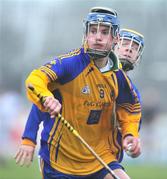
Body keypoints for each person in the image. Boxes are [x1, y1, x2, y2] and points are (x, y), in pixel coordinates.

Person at [15, 7, 142, 179]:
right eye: (93, 31)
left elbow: (130, 109)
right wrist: (45, 100)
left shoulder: (119, 77)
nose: (98, 37)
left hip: (100, 158)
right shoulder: (70, 64)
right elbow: (34, 80)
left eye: (104, 32)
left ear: (115, 39)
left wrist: (130, 135)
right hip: (60, 161)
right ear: (85, 34)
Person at [110, 28, 145, 162]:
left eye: (135, 48)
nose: (129, 49)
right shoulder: (94, 75)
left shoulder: (133, 94)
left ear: (138, 57)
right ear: (114, 47)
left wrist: (132, 145)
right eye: (124, 44)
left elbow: (131, 130)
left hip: (109, 158)